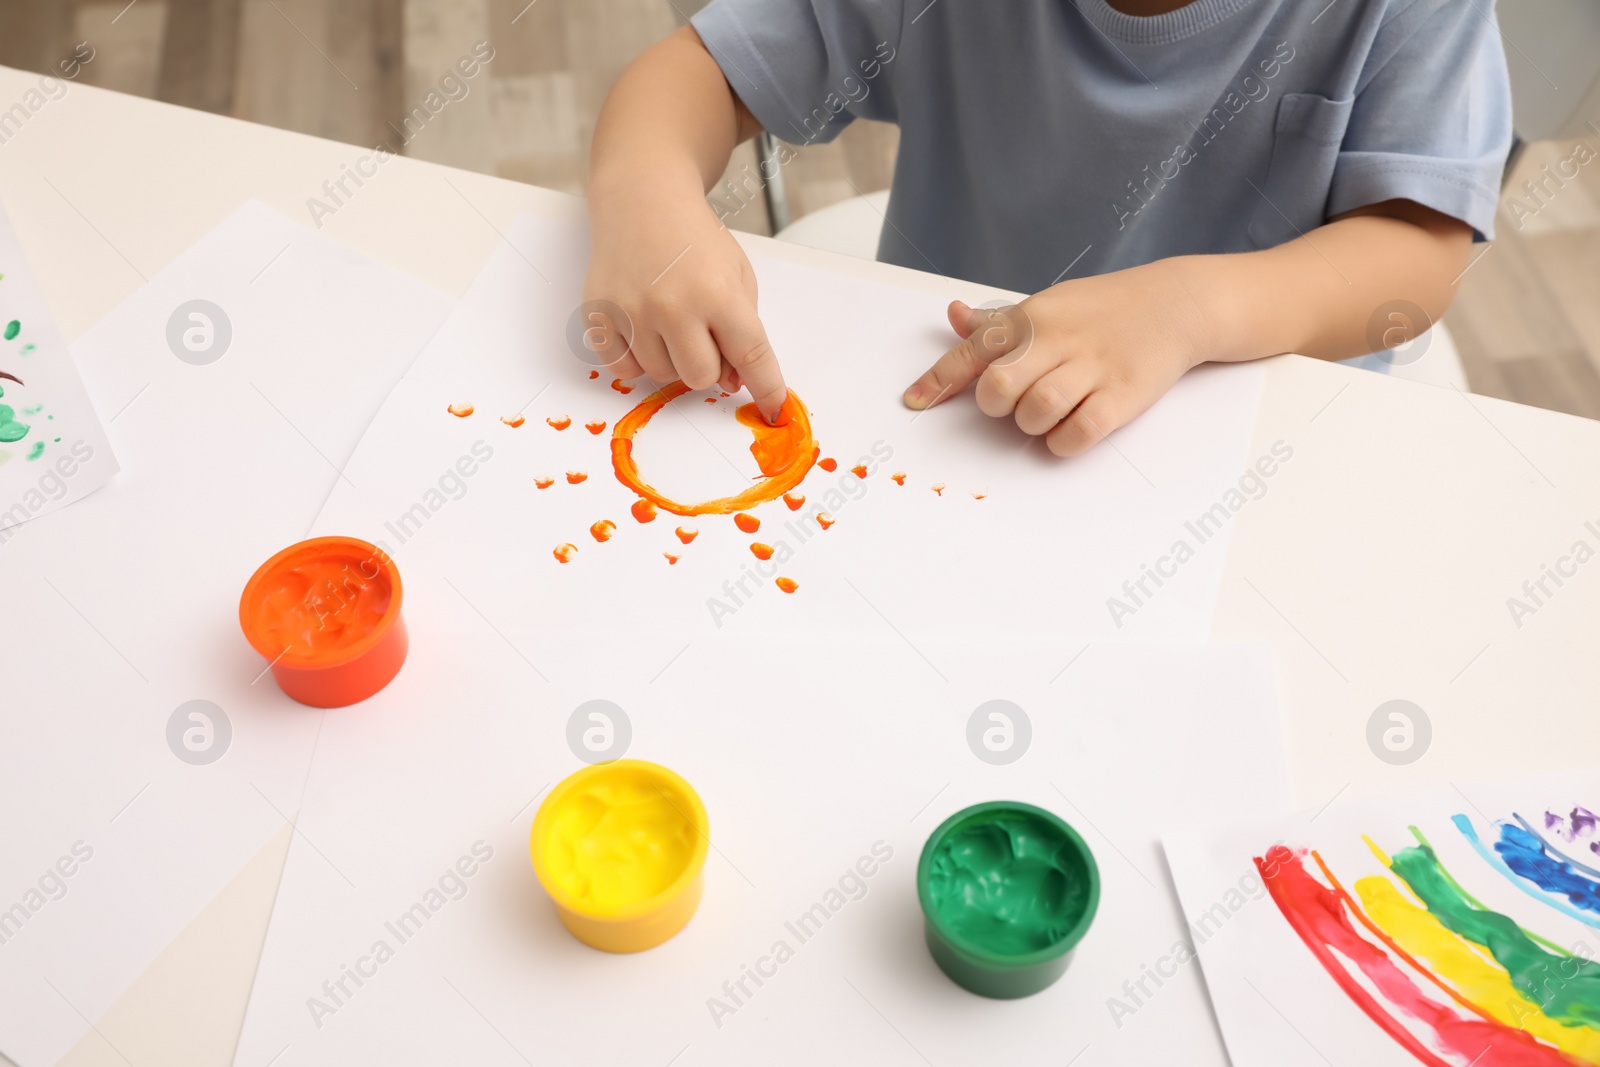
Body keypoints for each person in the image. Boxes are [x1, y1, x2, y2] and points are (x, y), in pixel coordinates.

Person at [581, 0, 1510, 455]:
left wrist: (1192, 307)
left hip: (1254, 439)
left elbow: (1418, 253)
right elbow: (697, 75)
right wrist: (644, 201)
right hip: (961, 423)